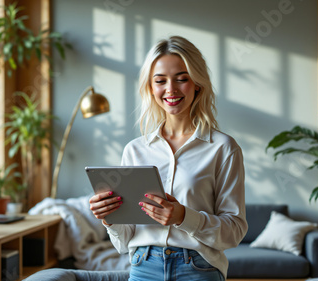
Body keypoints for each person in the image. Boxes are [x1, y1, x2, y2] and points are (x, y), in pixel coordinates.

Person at [89, 35, 247, 281]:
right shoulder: (135, 150)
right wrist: (109, 218)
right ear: (151, 88)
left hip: (198, 268)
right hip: (143, 266)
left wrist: (184, 217)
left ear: (197, 83)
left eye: (181, 79)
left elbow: (234, 232)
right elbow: (124, 241)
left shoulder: (223, 148)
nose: (170, 89)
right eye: (160, 81)